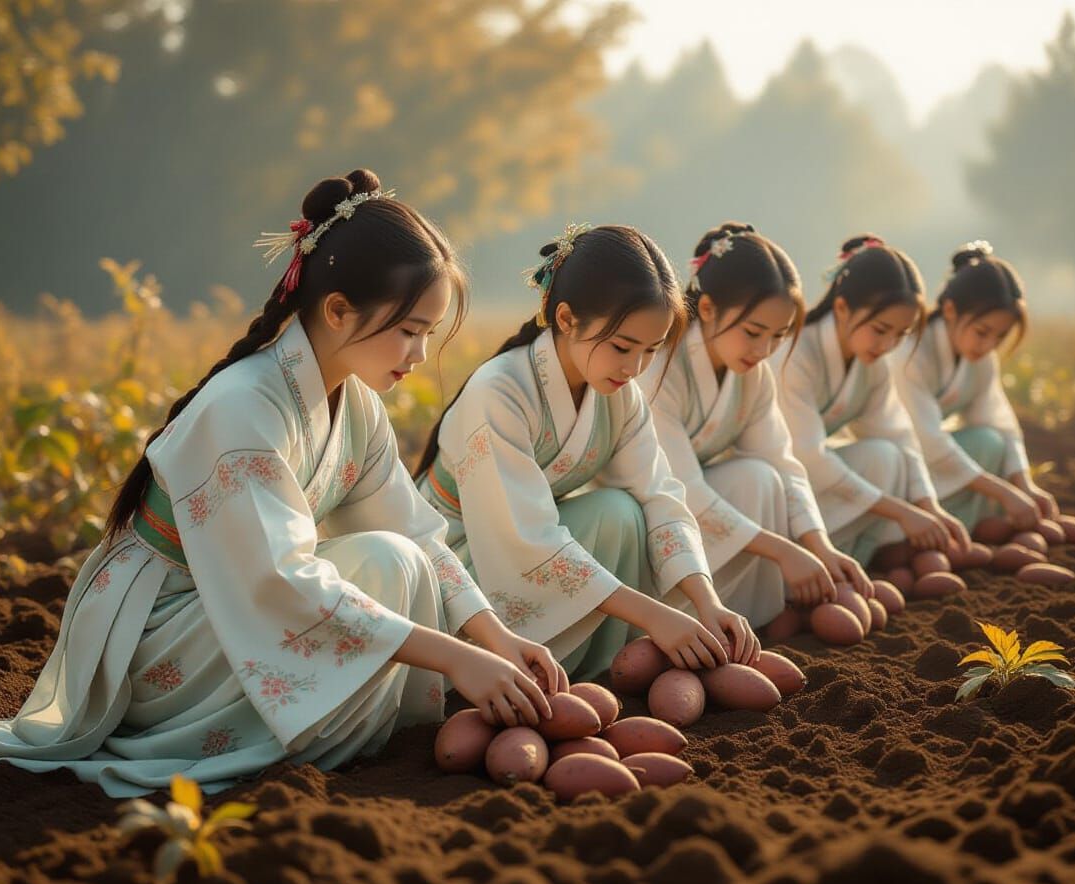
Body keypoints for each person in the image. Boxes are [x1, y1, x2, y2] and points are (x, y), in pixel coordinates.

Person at [0, 169, 564, 797]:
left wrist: (495, 637)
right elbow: (280, 580)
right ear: (338, 310)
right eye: (409, 331)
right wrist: (454, 656)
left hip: (233, 609)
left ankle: (331, 739)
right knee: (384, 563)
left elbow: (419, 536)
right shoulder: (243, 405)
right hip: (157, 637)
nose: (420, 354)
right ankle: (293, 745)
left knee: (399, 558)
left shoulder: (357, 404)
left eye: (428, 334)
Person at [416, 224, 760, 681]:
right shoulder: (498, 391)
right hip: (463, 566)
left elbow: (659, 494)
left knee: (621, 511)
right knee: (613, 516)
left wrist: (706, 601)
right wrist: (654, 615)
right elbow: (525, 539)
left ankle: (600, 669)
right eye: (621, 346)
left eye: (651, 351)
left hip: (527, 548)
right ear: (566, 319)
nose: (634, 367)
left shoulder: (620, 394)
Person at [641, 223, 872, 628]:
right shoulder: (659, 368)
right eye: (752, 332)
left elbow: (783, 462)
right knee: (754, 479)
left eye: (779, 336)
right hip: (647, 512)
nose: (764, 350)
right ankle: (693, 616)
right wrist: (783, 551)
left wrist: (819, 545)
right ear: (708, 309)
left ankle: (754, 614)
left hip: (691, 508)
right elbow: (680, 486)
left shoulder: (753, 373)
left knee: (761, 475)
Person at [773, 234, 970, 567]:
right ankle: (821, 562)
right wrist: (901, 512)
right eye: (880, 329)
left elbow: (899, 435)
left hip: (810, 481)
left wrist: (928, 505)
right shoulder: (796, 355)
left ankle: (865, 560)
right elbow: (807, 456)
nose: (888, 344)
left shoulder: (873, 363)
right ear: (841, 307)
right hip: (778, 484)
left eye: (901, 334)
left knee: (886, 454)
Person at [890, 241, 1055, 530]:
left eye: (1000, 336)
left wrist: (1024, 485)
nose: (990, 345)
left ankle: (967, 527)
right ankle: (923, 532)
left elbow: (1000, 422)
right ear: (950, 310)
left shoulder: (981, 358)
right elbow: (926, 439)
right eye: (982, 332)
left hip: (932, 466)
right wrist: (1003, 493)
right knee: (889, 461)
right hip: (897, 465)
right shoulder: (911, 354)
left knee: (989, 441)